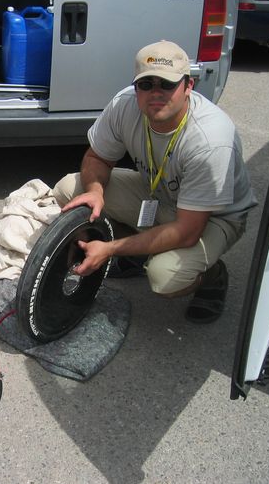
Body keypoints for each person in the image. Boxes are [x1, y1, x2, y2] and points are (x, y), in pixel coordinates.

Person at [53, 40, 257, 324]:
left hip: (213, 217)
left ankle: (212, 276)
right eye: (146, 84)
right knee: (68, 189)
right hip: (158, 192)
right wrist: (95, 191)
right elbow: (97, 158)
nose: (156, 93)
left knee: (164, 277)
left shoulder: (210, 140)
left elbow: (187, 231)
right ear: (136, 88)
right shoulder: (124, 105)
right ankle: (135, 253)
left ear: (189, 86)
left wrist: (109, 249)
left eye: (167, 84)